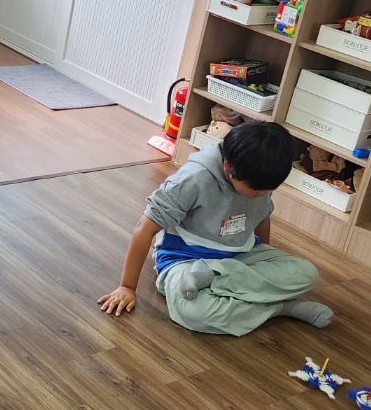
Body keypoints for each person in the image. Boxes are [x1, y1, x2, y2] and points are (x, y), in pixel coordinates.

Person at [98, 121, 332, 334]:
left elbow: (262, 217)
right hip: (185, 259)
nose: (262, 194)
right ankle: (279, 306)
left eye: (269, 190)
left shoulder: (261, 175)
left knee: (307, 273)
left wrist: (262, 265)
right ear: (229, 166)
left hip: (239, 257)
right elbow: (144, 227)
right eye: (256, 190)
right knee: (194, 312)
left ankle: (219, 277)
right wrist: (127, 287)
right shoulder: (194, 178)